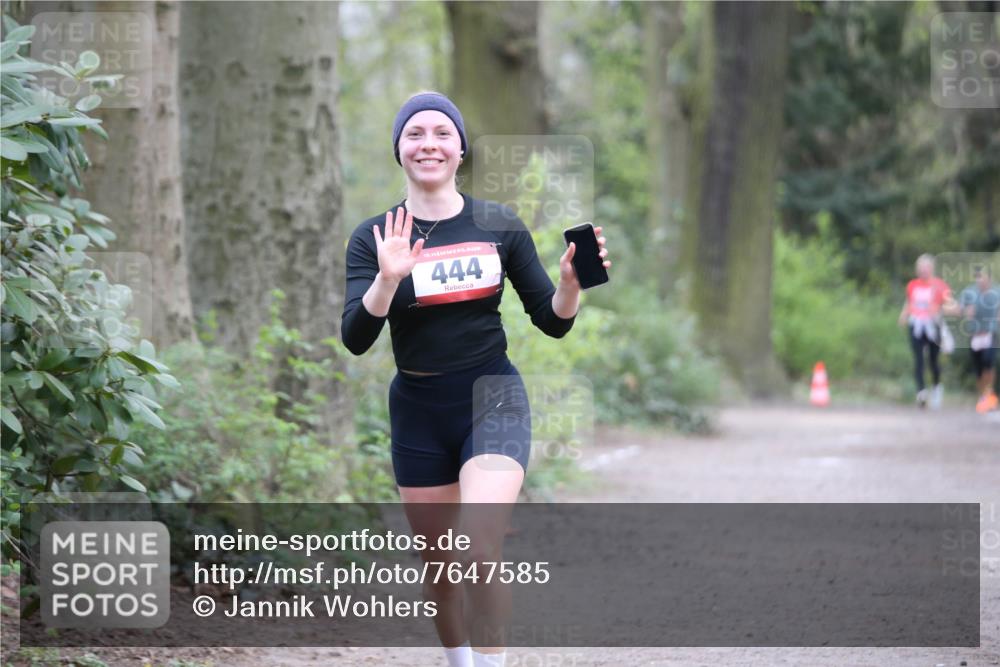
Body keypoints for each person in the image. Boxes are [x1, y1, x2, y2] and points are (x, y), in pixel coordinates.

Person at [340, 91, 611, 667]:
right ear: (399, 150)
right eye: (415, 134)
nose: (429, 143)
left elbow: (552, 322)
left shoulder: (498, 225)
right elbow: (356, 337)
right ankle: (458, 660)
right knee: (438, 565)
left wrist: (569, 284)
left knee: (480, 546)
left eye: (442, 132)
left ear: (460, 148)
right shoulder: (373, 237)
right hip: (417, 408)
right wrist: (387, 279)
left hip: (493, 398)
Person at [897, 254, 957, 409]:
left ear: (932, 269)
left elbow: (953, 308)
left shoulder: (940, 286)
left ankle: (937, 388)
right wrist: (904, 315)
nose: (923, 271)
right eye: (920, 268)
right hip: (916, 325)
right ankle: (921, 393)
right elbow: (909, 303)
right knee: (918, 359)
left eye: (926, 268)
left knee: (933, 360)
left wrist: (938, 308)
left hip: (933, 325)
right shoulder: (912, 285)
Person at [959, 264, 1000, 413]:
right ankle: (983, 396)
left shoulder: (997, 291)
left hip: (990, 333)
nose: (981, 280)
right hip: (974, 335)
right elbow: (959, 309)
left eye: (983, 277)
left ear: (989, 278)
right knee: (978, 369)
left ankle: (989, 394)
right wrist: (965, 312)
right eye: (978, 277)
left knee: (988, 362)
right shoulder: (969, 293)